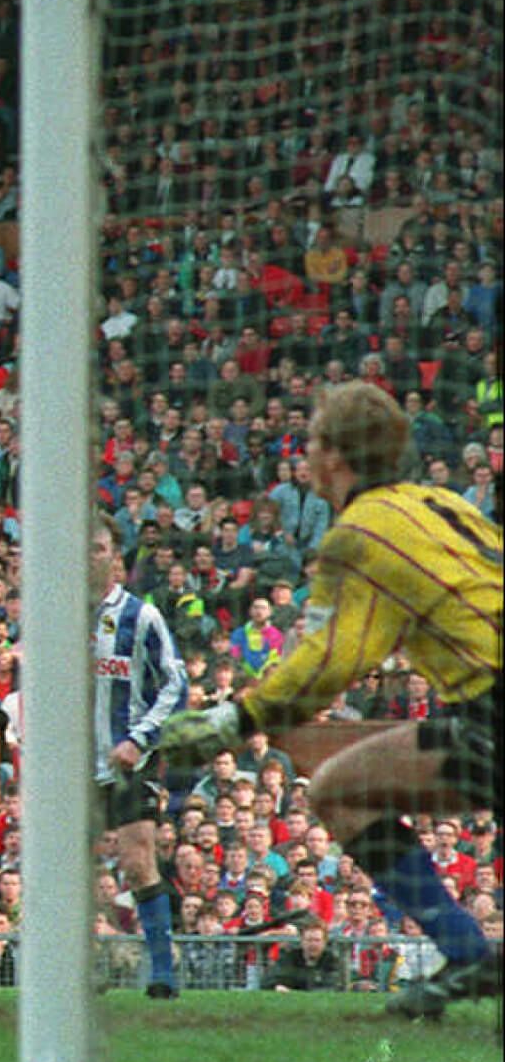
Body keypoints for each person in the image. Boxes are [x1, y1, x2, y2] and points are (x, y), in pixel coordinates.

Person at [161, 382, 498, 1021]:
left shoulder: (358, 533)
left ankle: (467, 953)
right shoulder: (439, 501)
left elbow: (331, 663)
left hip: (494, 704)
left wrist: (236, 718)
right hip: (480, 709)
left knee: (337, 792)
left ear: (335, 457)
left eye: (311, 440)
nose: (303, 453)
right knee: (343, 784)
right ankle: (468, 956)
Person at [88, 517, 187, 999]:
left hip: (129, 760)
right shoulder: (55, 617)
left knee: (137, 859)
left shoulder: (141, 616)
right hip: (74, 766)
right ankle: (87, 965)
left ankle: (163, 971)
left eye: (98, 548)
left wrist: (141, 737)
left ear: (116, 560)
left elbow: (176, 682)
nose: (89, 556)